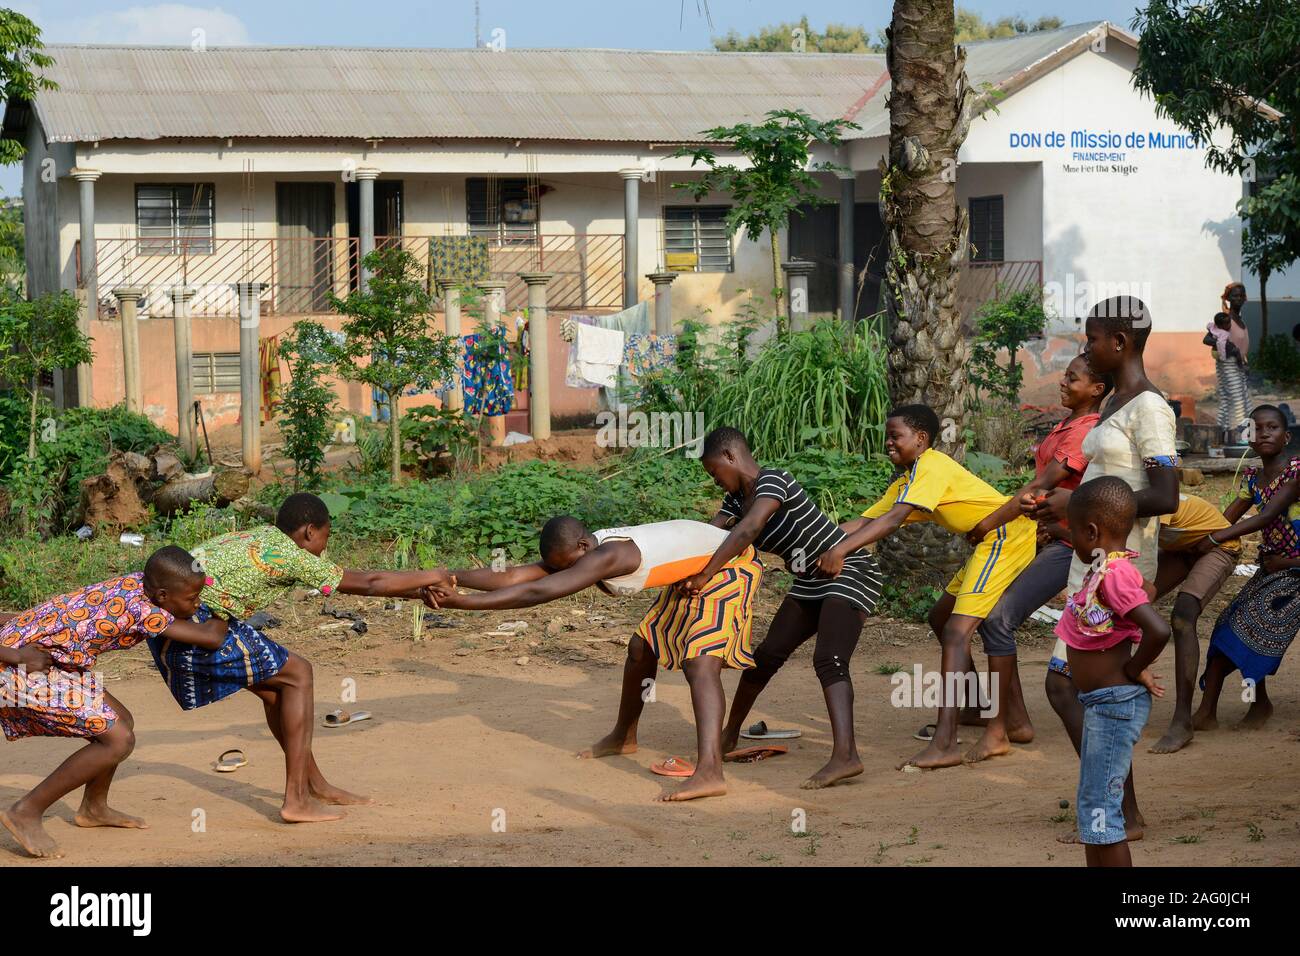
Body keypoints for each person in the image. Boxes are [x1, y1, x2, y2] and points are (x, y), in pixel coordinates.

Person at [147, 492, 454, 823]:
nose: (325, 546)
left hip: (178, 620)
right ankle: (296, 800)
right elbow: (368, 583)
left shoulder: (263, 537)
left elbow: (363, 584)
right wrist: (433, 574)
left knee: (276, 690)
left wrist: (417, 592)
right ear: (309, 531)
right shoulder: (291, 554)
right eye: (326, 536)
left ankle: (314, 784)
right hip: (196, 622)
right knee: (298, 673)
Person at [425, 516, 763, 802]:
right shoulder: (587, 548)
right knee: (641, 648)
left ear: (584, 549)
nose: (570, 574)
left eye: (569, 568)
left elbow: (536, 592)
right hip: (696, 567)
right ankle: (623, 737)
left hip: (730, 566)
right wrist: (454, 577)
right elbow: (516, 577)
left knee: (700, 663)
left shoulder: (610, 554)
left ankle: (710, 771)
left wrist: (463, 603)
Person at [1032, 296, 1179, 841]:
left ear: (1119, 342)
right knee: (1077, 686)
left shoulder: (1150, 409)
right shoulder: (1117, 401)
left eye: (1092, 338)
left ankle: (1118, 813)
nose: (1086, 347)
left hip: (1118, 570)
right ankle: (1121, 811)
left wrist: (1076, 510)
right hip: (1090, 562)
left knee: (1073, 686)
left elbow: (1166, 495)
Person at [818, 403, 1037, 769]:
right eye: (886, 436)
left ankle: (946, 741)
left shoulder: (932, 466)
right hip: (988, 544)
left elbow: (895, 521)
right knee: (941, 617)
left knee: (956, 632)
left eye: (895, 436)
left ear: (921, 439)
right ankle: (986, 710)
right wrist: (815, 544)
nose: (888, 443)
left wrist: (840, 551)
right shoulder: (910, 479)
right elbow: (869, 520)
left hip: (1005, 537)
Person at [680, 427, 885, 789]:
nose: (715, 481)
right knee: (766, 656)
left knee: (829, 659)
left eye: (715, 473)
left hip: (848, 566)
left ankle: (846, 756)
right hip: (811, 579)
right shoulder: (734, 502)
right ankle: (728, 736)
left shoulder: (774, 479)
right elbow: (712, 535)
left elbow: (748, 529)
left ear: (730, 457)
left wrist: (705, 575)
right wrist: (684, 566)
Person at [0, 547, 229, 859]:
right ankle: (25, 811)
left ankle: (93, 808)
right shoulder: (146, 611)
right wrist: (229, 607)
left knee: (122, 720)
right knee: (118, 739)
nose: (197, 603)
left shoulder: (140, 583)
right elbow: (212, 638)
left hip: (42, 658)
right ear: (161, 595)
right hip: (20, 666)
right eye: (191, 598)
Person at [961, 353, 1110, 762]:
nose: (1063, 383)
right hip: (1054, 539)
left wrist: (987, 524)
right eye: (1064, 376)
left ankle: (998, 730)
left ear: (1097, 390)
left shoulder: (1087, 429)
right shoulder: (1068, 424)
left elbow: (1040, 486)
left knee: (998, 620)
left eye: (1072, 378)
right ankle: (1017, 722)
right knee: (995, 616)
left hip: (1070, 546)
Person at [1055, 477, 1170, 867]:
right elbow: (1146, 591)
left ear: (1092, 531)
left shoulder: (1114, 573)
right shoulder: (1109, 569)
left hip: (1113, 703)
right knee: (1094, 810)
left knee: (1101, 812)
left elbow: (1158, 629)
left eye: (1074, 532)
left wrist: (1134, 667)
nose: (1071, 540)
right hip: (1100, 703)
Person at [1192, 405, 1300, 731]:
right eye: (1257, 429)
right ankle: (1237, 706)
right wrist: (1193, 535)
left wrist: (1212, 538)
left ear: (1287, 437)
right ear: (1248, 438)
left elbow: (1265, 517)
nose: (1264, 433)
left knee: (1247, 630)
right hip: (1273, 570)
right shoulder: (1252, 477)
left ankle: (1228, 709)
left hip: (1294, 570)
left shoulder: (1296, 472)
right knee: (1228, 626)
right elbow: (1227, 515)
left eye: (1272, 428)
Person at [1147, 494, 1241, 753]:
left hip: (1219, 546)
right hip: (1183, 549)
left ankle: (1182, 720)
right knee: (1132, 604)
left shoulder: (1154, 499)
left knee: (1183, 616)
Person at [1208, 283, 1251, 440]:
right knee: (1237, 401)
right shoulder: (1224, 319)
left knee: (1233, 401)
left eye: (1241, 295)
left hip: (1240, 364)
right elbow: (1208, 338)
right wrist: (1230, 348)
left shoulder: (1239, 319)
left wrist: (1244, 361)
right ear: (1228, 298)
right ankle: (1240, 439)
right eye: (1235, 296)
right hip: (1228, 364)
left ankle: (1221, 437)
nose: (1238, 298)